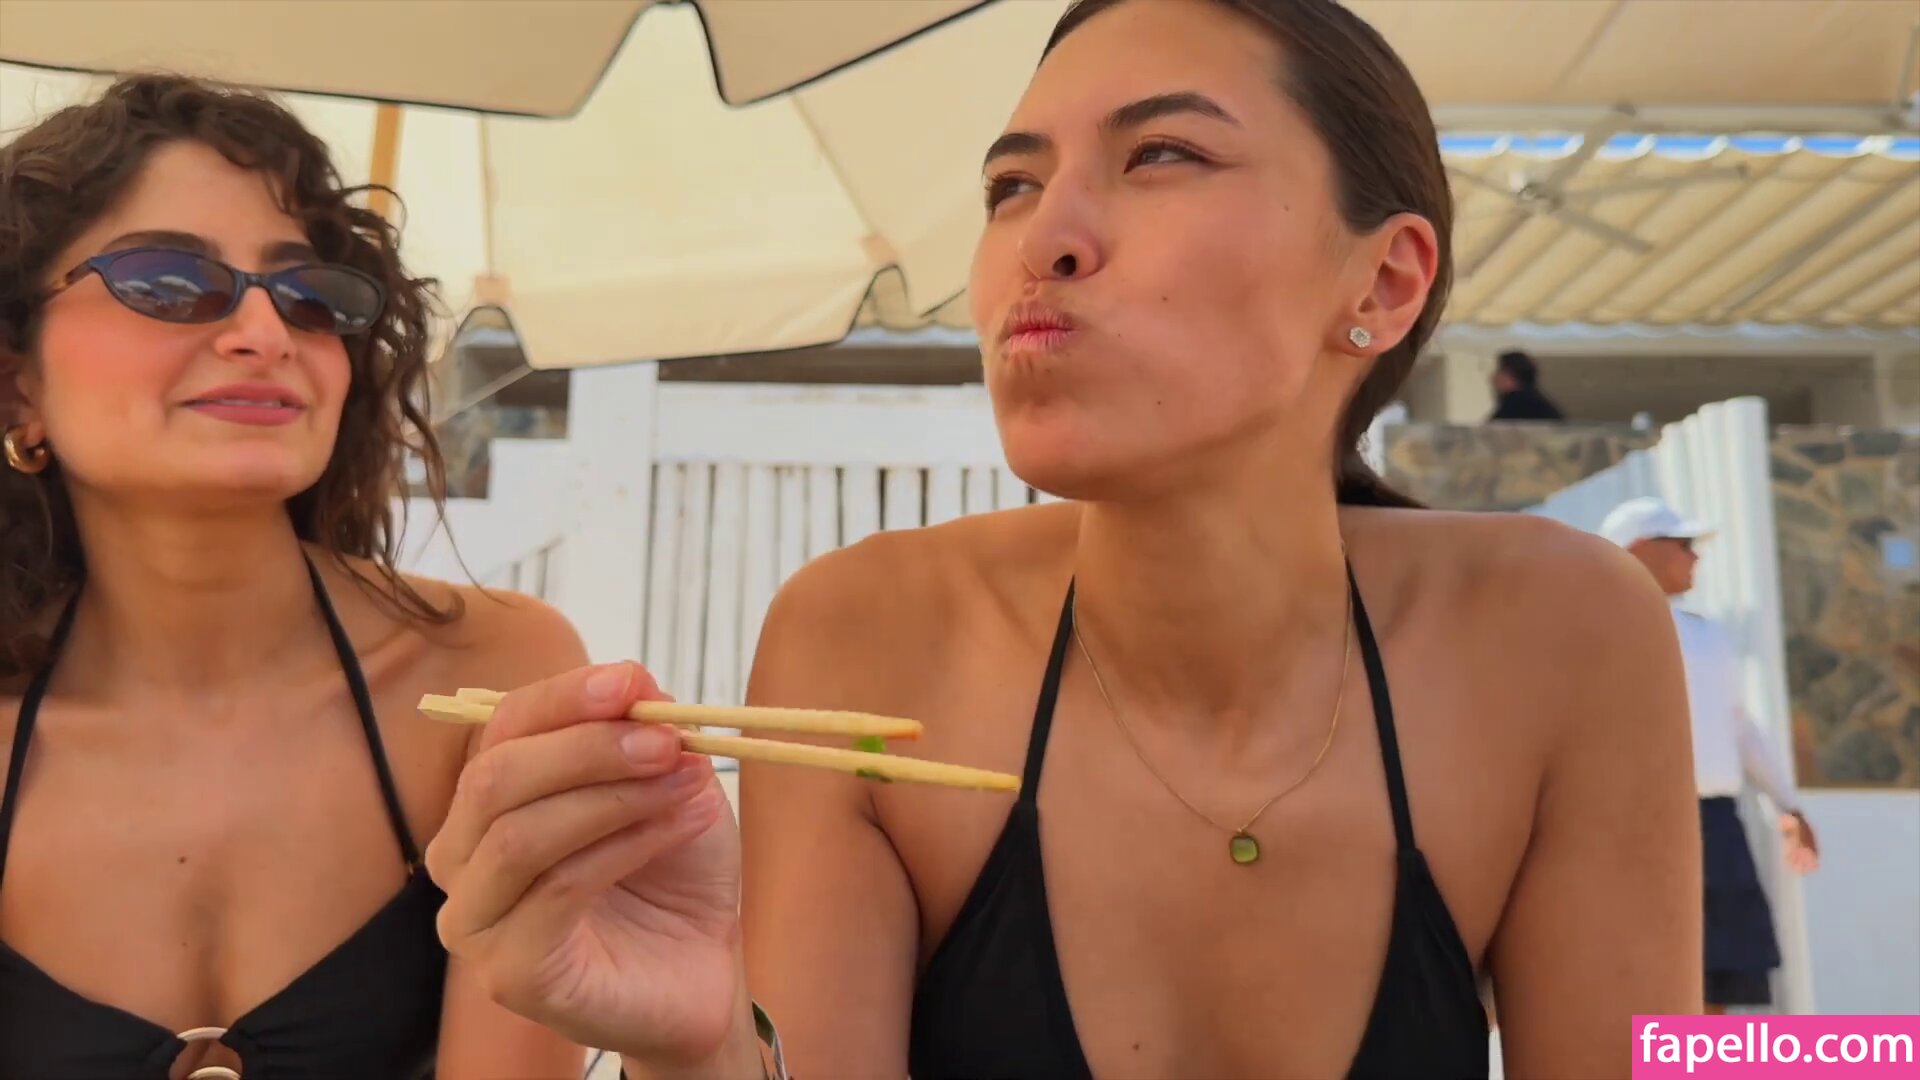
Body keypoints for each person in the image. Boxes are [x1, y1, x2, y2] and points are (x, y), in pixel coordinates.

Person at [424, 1, 1703, 1077]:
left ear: (1383, 282)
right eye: (1011, 187)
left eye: (1162, 155)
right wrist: (693, 1052)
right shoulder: (871, 641)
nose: (1044, 240)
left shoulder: (1559, 634)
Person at [0, 75, 591, 1078]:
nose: (266, 332)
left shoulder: (492, 678)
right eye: (167, 282)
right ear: (19, 382)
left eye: (312, 295)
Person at [1601, 496, 1819, 1014]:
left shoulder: (1706, 634)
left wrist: (1787, 805)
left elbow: (1738, 724)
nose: (1694, 556)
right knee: (1644, 976)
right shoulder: (1597, 629)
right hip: (1638, 826)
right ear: (1639, 548)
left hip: (1718, 824)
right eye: (1683, 544)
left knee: (1718, 978)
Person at [1487, 349, 1565, 421]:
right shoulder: (1534, 399)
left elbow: (1492, 428)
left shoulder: (1517, 403)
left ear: (1512, 376)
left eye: (1500, 371)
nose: (1494, 378)